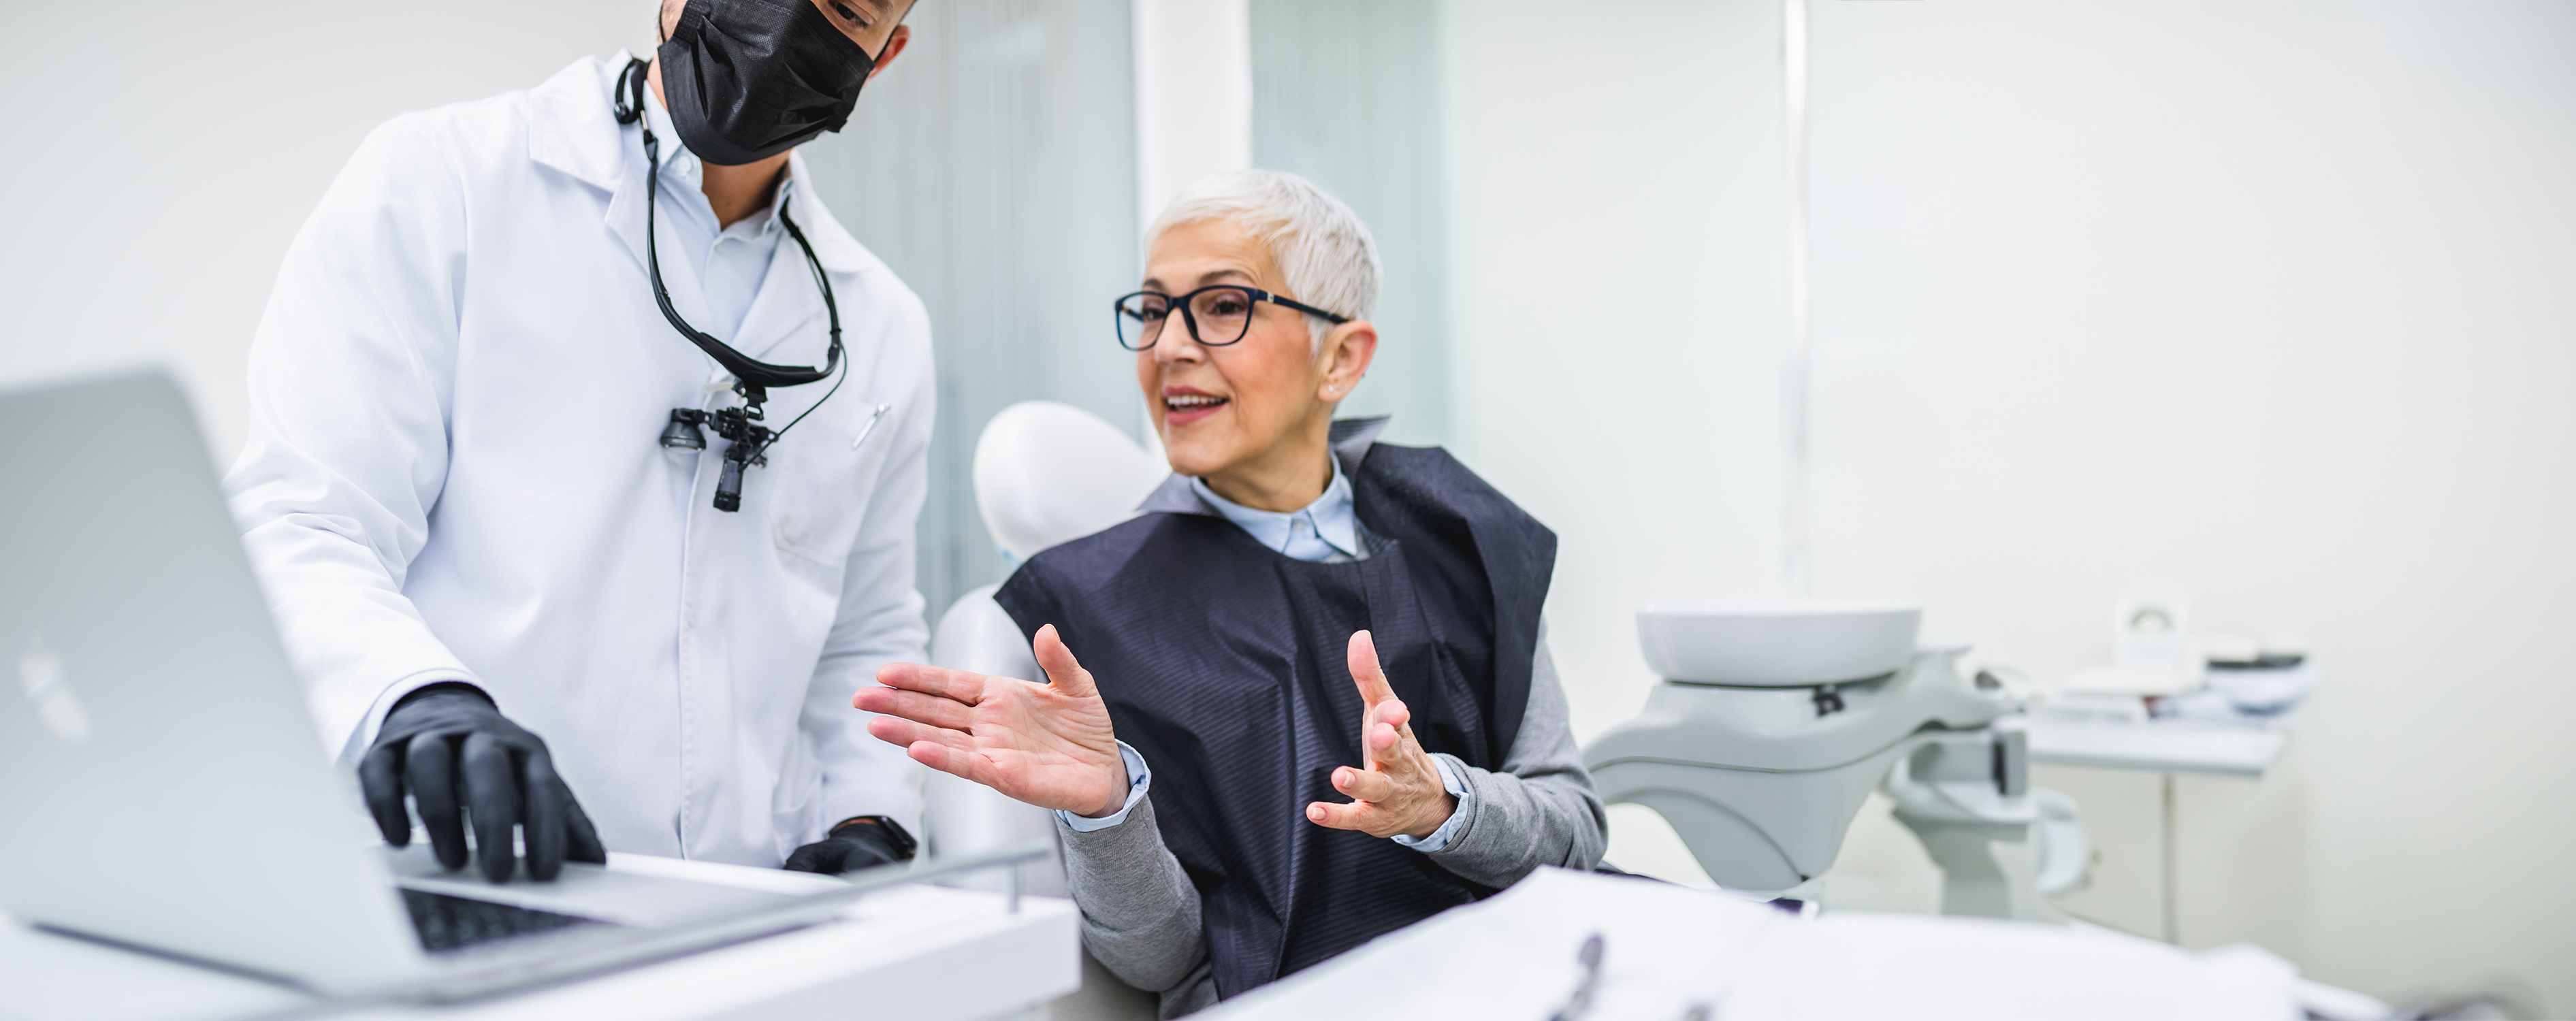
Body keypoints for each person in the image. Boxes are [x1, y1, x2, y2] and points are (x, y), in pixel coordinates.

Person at [856, 170, 1607, 1014]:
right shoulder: (1089, 616)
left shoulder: (1462, 541)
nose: (1170, 345)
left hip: (1533, 983)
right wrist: (1109, 814)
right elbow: (1162, 963)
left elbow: (1575, 831)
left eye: (1222, 308)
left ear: (1341, 359)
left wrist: (1441, 804)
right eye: (1151, 311)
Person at [224, 0, 933, 884]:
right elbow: (304, 522)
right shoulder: (442, 185)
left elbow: (865, 634)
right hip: (475, 873)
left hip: (752, 910)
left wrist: (871, 816)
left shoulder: (881, 325)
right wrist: (418, 700)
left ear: (885, 53)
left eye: (841, 9)